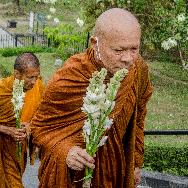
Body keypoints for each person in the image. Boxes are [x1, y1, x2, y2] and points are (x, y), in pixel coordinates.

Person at [30, 8, 154, 188]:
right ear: (95, 43)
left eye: (134, 48)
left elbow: (138, 118)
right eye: (119, 50)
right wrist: (66, 151)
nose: (128, 58)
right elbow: (39, 128)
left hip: (114, 172)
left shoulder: (138, 70)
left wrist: (136, 163)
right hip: (71, 177)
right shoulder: (71, 75)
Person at [0, 52, 45, 188]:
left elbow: (42, 116)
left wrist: (28, 127)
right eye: (30, 77)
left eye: (36, 77)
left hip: (20, 150)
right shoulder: (0, 90)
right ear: (17, 74)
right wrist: (7, 130)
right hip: (1, 150)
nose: (33, 82)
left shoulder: (38, 87)